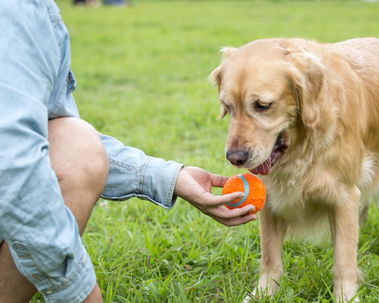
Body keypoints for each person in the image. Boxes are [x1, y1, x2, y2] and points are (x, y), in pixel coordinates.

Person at [0, 1, 256, 302]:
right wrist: (80, 294)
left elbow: (46, 136)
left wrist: (173, 177)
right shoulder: (18, 9)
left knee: (73, 140)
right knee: (76, 145)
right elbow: (16, 161)